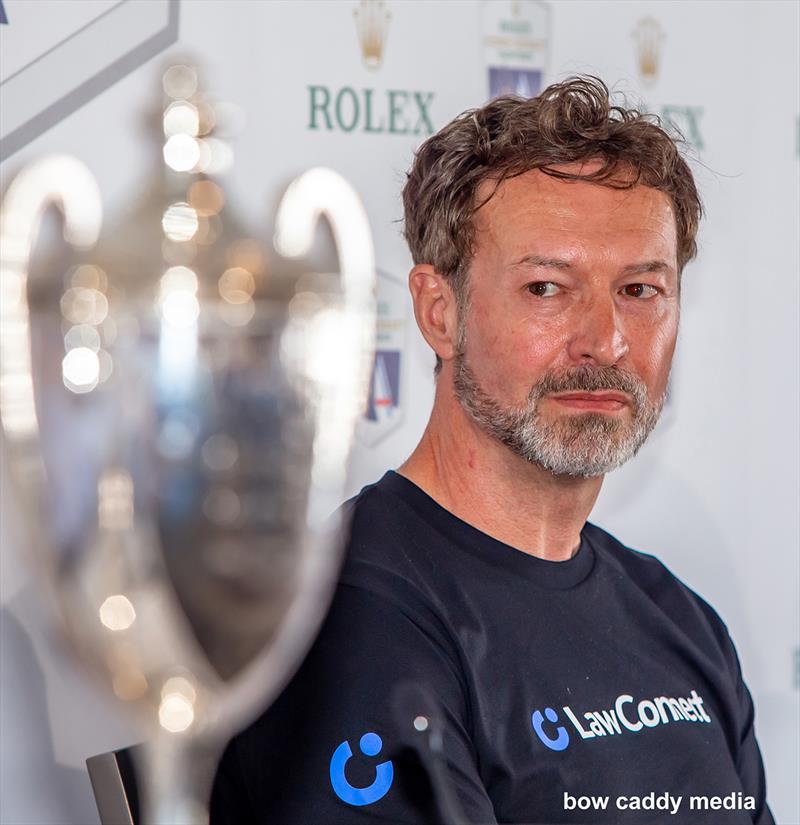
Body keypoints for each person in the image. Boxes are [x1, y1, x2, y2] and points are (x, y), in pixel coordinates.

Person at [210, 76, 773, 824]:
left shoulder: (678, 619)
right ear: (439, 312)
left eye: (640, 290)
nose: (605, 340)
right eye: (547, 288)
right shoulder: (346, 615)